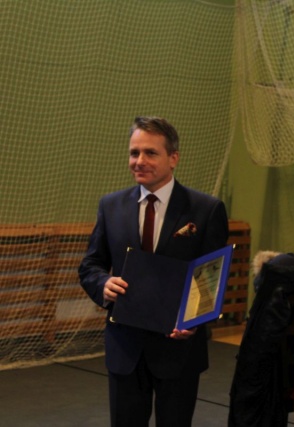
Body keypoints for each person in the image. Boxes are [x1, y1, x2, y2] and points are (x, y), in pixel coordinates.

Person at [78, 116, 229, 427]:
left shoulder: (206, 209)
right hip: (125, 348)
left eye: (150, 153)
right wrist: (103, 284)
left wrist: (194, 320)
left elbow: (211, 276)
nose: (139, 161)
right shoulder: (111, 206)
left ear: (173, 158)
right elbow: (90, 265)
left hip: (178, 349)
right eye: (134, 153)